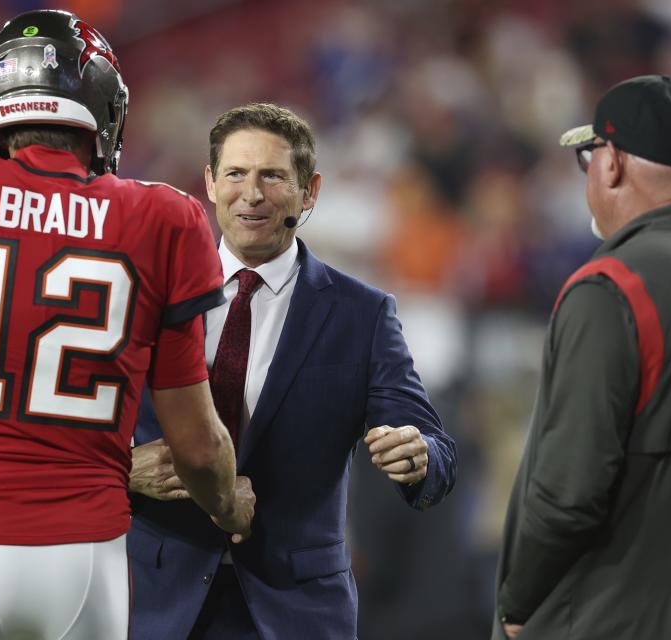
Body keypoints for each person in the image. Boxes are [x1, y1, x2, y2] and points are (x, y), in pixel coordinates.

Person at [0, 10, 254, 640]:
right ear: (101, 105)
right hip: (84, 561)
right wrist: (229, 504)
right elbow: (199, 447)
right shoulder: (165, 219)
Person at [127, 102, 457, 640]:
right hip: (155, 604)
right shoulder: (146, 295)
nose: (251, 194)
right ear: (210, 183)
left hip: (294, 612)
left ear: (310, 191)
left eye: (272, 176)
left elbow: (434, 448)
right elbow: (73, 436)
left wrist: (418, 454)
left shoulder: (362, 314)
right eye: (235, 173)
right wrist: (123, 467)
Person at [493, 74, 671, 640]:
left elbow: (568, 495)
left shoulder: (613, 287)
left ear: (613, 164)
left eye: (589, 156)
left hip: (610, 615)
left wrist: (518, 602)